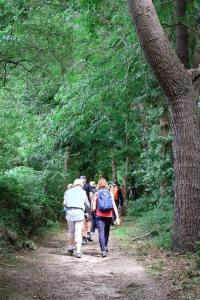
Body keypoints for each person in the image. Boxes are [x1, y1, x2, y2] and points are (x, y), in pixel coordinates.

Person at [92, 178, 120, 257]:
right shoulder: (109, 192)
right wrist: (117, 216)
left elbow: (93, 208)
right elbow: (114, 205)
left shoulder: (96, 194)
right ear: (106, 184)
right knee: (106, 231)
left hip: (99, 215)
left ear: (98, 185)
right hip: (108, 215)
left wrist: (93, 211)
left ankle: (103, 251)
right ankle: (105, 246)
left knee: (101, 232)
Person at [63, 178, 90, 258]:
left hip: (70, 213)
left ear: (74, 184)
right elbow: (87, 204)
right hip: (79, 213)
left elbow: (64, 203)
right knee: (78, 231)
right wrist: (89, 210)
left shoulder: (67, 192)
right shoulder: (83, 192)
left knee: (71, 231)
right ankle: (78, 252)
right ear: (81, 185)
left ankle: (70, 248)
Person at [80, 175, 93, 244]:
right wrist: (91, 204)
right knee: (89, 219)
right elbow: (91, 196)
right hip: (87, 205)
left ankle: (84, 238)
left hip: (80, 206)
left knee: (83, 221)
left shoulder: (78, 187)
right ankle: (88, 233)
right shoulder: (88, 186)